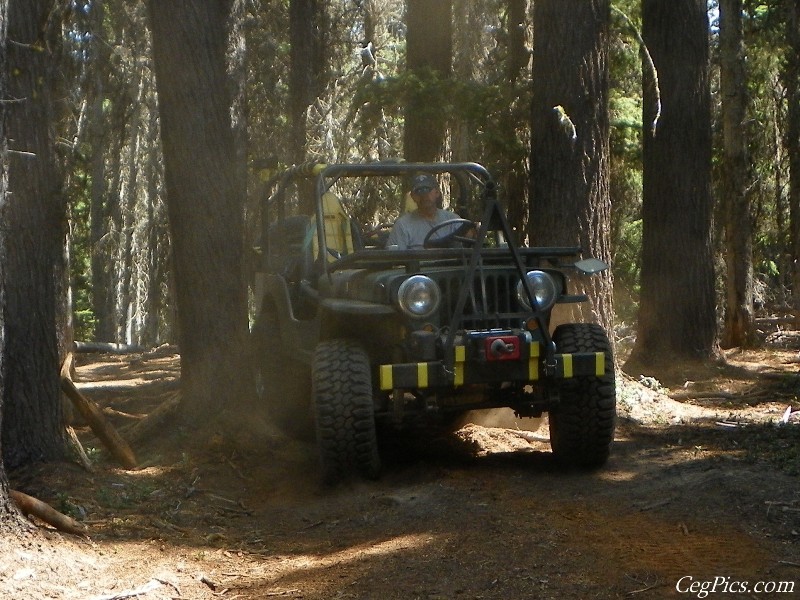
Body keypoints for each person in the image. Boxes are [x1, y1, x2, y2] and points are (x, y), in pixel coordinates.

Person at [386, 174, 463, 250]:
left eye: (427, 190)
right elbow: (395, 259)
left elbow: (469, 240)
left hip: (452, 262)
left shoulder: (452, 220)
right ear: (413, 197)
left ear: (437, 192)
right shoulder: (402, 225)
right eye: (419, 191)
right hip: (417, 262)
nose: (424, 195)